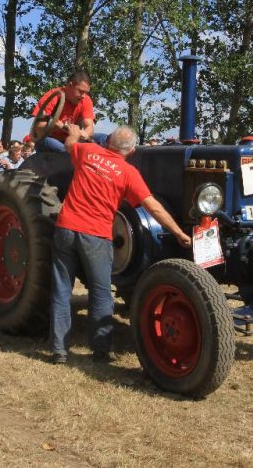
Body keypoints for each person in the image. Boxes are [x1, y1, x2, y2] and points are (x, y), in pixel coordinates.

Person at [50, 125, 191, 364]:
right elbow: (153, 207)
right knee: (101, 293)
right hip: (95, 235)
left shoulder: (88, 152)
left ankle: (59, 351)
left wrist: (74, 130)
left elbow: (68, 144)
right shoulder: (128, 172)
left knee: (62, 290)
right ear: (132, 150)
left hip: (65, 228)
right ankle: (101, 350)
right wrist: (178, 233)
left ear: (108, 142)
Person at [31, 69, 107, 152]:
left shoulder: (85, 100)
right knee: (68, 151)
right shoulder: (53, 97)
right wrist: (56, 125)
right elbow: (38, 127)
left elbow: (89, 127)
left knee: (105, 139)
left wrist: (85, 134)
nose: (83, 96)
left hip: (72, 137)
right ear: (70, 86)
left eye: (86, 92)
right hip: (48, 139)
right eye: (81, 91)